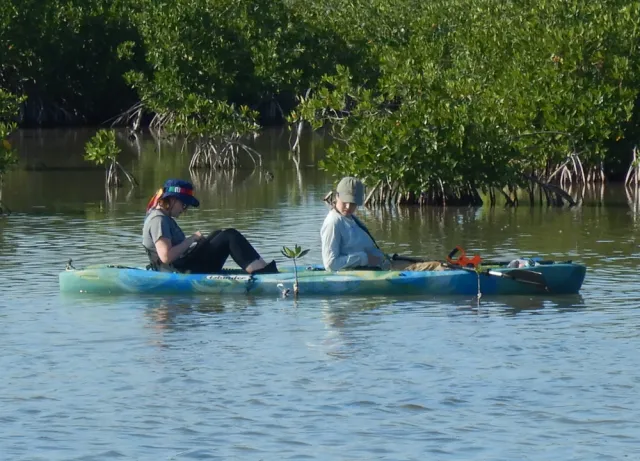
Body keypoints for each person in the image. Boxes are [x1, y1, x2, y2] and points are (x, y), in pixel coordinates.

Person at [142, 179, 278, 274]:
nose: (184, 210)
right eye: (183, 205)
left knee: (219, 233)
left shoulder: (162, 217)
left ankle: (260, 266)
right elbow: (166, 257)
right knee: (230, 235)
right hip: (180, 271)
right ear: (171, 199)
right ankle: (261, 272)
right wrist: (192, 239)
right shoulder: (158, 220)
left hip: (182, 265)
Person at [320, 177, 389, 271]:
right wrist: (364, 258)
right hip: (353, 277)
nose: (348, 207)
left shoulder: (351, 218)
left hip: (376, 267)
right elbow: (330, 264)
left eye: (353, 203)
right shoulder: (333, 222)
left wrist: (382, 258)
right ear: (337, 196)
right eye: (345, 201)